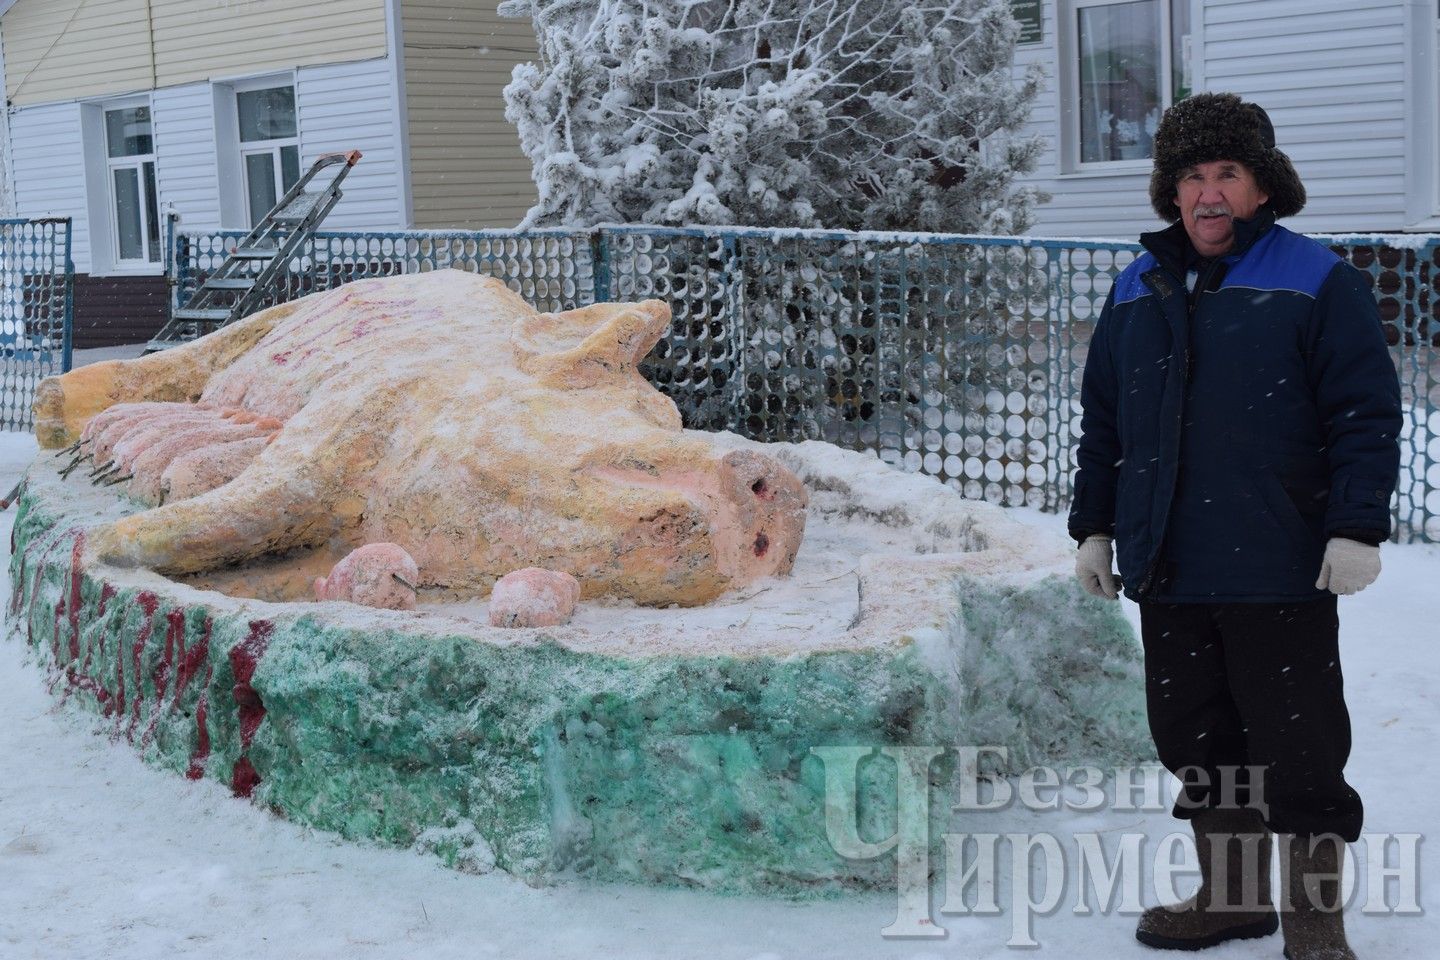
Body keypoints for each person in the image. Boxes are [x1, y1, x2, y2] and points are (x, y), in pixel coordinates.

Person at [1068, 93, 1401, 960]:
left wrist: (1356, 526)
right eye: (1191, 176)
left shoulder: (1318, 279)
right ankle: (1234, 896)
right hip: (1170, 565)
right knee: (1196, 737)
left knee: (1300, 749)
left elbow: (1364, 413)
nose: (1208, 194)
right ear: (1170, 193)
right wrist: (1095, 528)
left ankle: (1315, 924)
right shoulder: (1135, 286)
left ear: (1262, 188)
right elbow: (1104, 419)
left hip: (1278, 564)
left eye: (1227, 174)